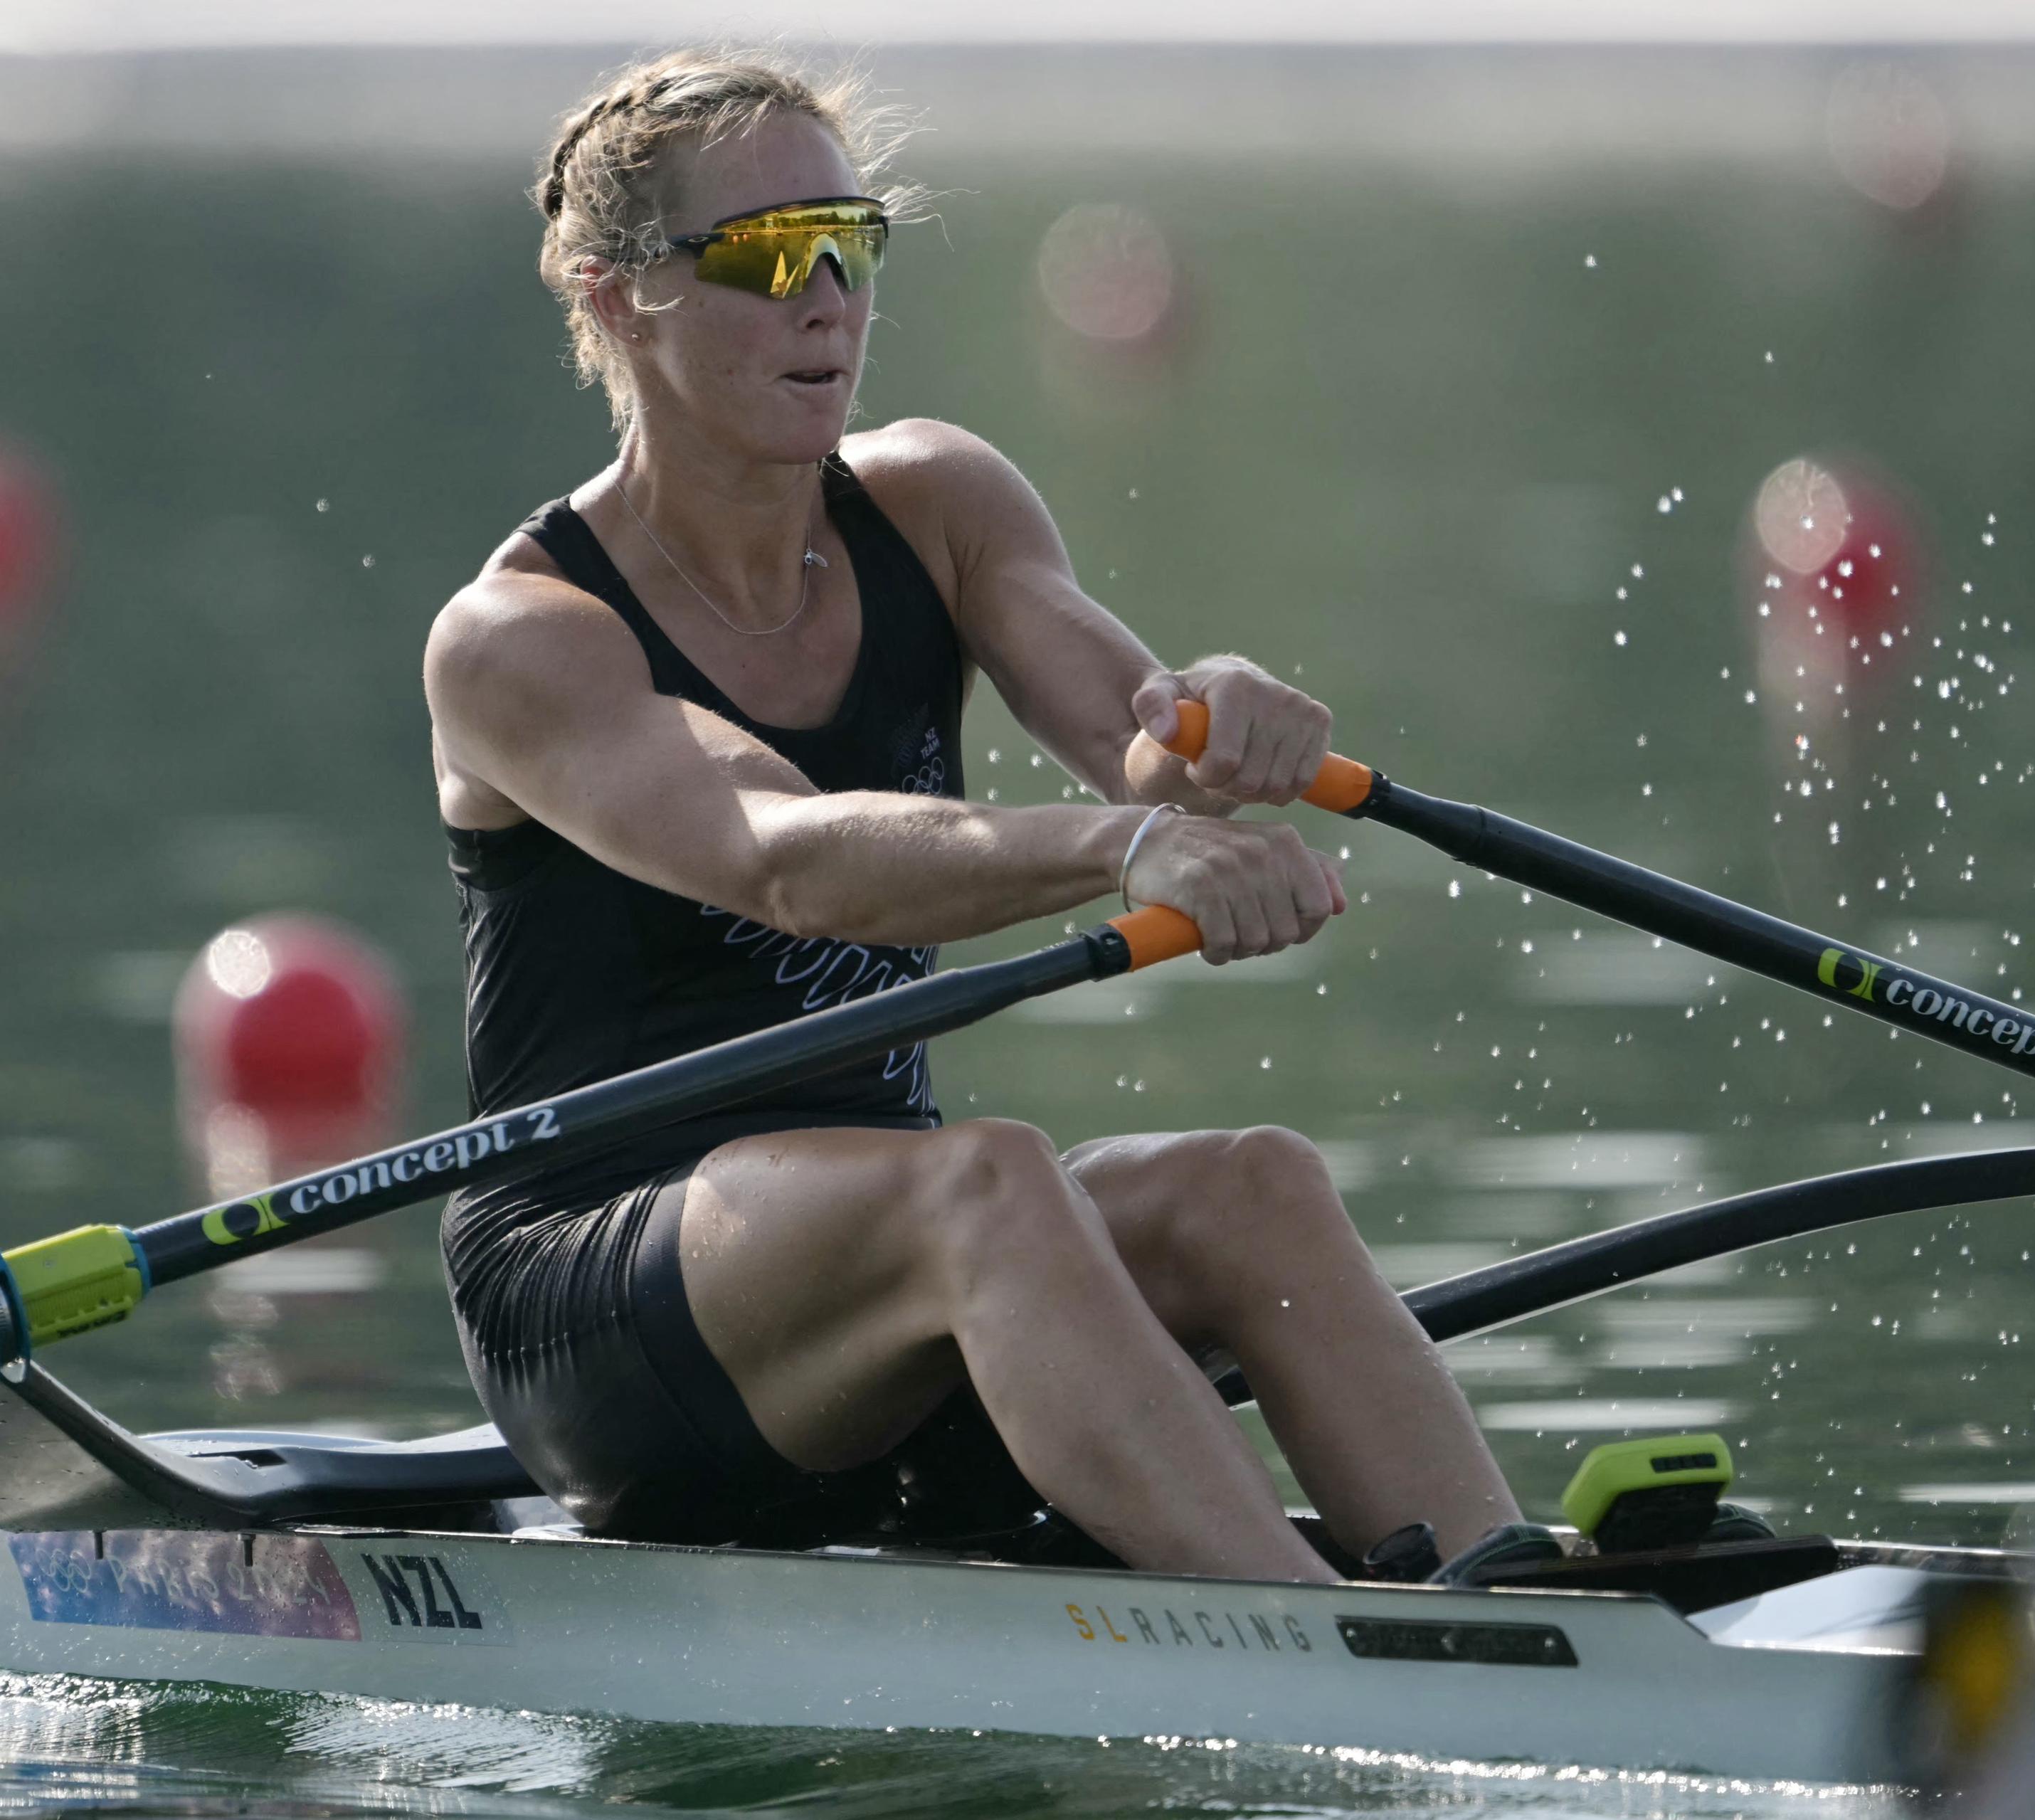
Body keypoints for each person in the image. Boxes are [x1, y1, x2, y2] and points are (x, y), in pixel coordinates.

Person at [422, 49, 1550, 1584]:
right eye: (766, 254)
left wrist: (1218, 726)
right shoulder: (521, 638)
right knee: (993, 1176)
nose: (828, 295)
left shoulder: (937, 502)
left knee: (1253, 1181)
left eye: (853, 238)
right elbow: (786, 859)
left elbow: (1138, 744)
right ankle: (1322, 1642)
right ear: (622, 297)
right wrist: (1126, 854)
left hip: (898, 1283)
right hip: (605, 1302)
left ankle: (1507, 1588)